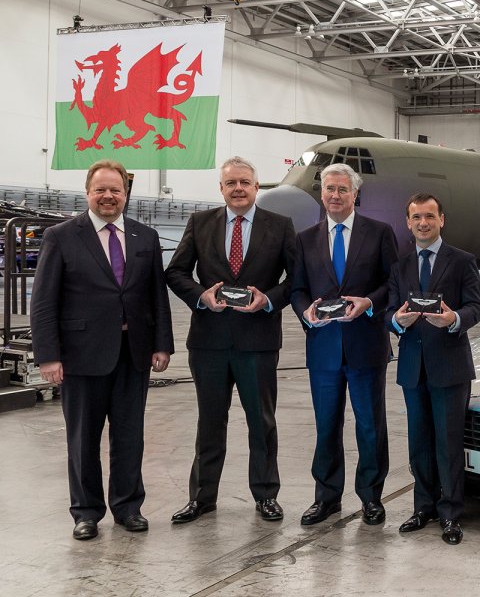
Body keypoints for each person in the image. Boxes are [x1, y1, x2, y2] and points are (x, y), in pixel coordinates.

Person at [30, 160, 174, 541]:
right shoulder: (61, 236)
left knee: (130, 436)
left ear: (125, 194)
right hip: (80, 356)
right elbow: (43, 302)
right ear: (88, 192)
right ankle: (86, 512)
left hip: (133, 353)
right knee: (83, 439)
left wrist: (162, 344)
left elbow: (157, 297)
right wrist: (48, 355)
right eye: (101, 190)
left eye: (115, 190)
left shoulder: (145, 237)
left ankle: (128, 507)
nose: (108, 196)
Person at [164, 157, 297, 524]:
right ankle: (202, 498)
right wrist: (201, 296)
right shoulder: (200, 223)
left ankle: (266, 495)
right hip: (209, 342)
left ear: (256, 187)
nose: (238, 188)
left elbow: (296, 279)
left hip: (258, 342)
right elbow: (175, 272)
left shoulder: (280, 226)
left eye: (244, 182)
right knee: (209, 423)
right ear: (221, 189)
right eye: (231, 183)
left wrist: (268, 299)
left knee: (262, 423)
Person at [290, 163, 398, 527]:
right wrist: (306, 312)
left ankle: (371, 497)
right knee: (326, 426)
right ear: (321, 193)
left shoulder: (379, 233)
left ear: (355, 194)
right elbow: (297, 288)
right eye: (329, 189)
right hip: (323, 347)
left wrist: (369, 303)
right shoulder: (305, 238)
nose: (335, 195)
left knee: (370, 426)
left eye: (342, 189)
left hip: (366, 346)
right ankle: (326, 498)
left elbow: (393, 283)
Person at [386, 193, 480, 545]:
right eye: (416, 217)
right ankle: (423, 507)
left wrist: (454, 319)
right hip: (413, 367)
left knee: (448, 443)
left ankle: (451, 513)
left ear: (442, 219)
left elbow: (476, 307)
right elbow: (389, 311)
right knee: (420, 444)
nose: (423, 223)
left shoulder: (462, 261)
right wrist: (396, 321)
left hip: (450, 367)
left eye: (429, 216)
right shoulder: (400, 266)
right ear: (408, 223)